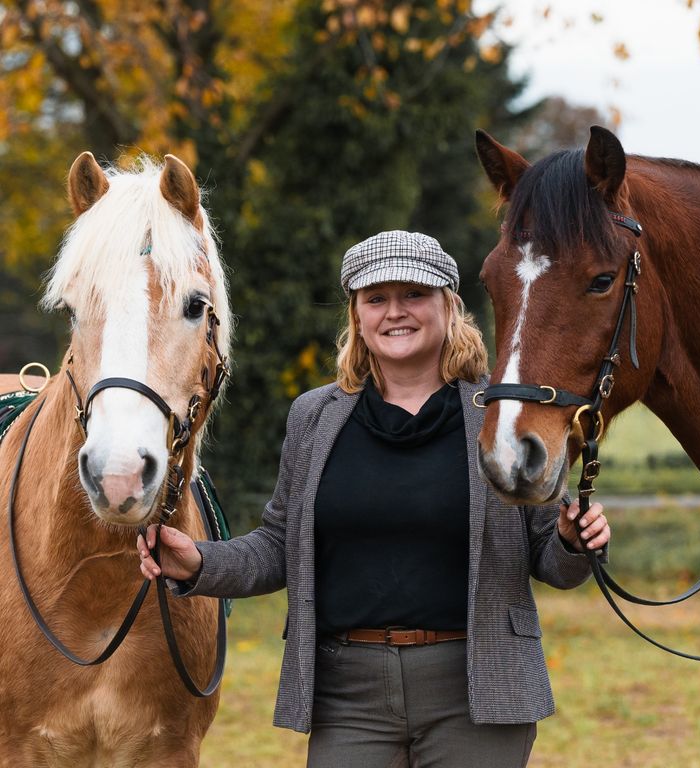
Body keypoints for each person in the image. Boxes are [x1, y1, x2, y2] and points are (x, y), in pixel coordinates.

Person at [137, 230, 610, 768]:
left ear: (449, 306)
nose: (395, 312)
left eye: (414, 294)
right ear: (357, 315)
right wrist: (200, 561)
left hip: (477, 691)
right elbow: (276, 547)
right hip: (348, 696)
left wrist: (575, 542)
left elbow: (553, 560)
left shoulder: (498, 416)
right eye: (376, 299)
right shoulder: (314, 417)